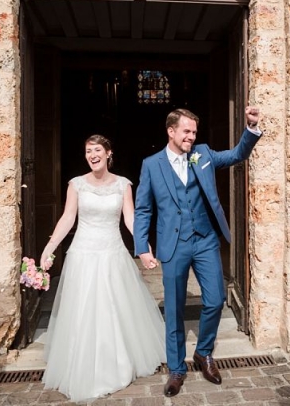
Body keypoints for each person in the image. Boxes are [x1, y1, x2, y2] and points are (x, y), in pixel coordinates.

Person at [134, 107, 261, 397]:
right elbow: (143, 209)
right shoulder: (151, 165)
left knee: (215, 300)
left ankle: (204, 353)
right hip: (173, 245)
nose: (192, 136)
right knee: (175, 309)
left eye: (194, 132)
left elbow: (237, 155)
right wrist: (142, 247)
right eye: (186, 131)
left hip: (205, 240)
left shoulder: (202, 153)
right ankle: (177, 369)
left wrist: (251, 129)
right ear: (171, 131)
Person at [40, 135, 165, 401]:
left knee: (112, 307)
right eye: (88, 151)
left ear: (108, 153)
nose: (92, 155)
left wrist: (143, 247)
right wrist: (49, 246)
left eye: (97, 150)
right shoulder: (76, 185)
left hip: (112, 254)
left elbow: (129, 217)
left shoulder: (123, 185)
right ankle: (82, 364)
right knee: (83, 310)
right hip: (83, 255)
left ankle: (115, 364)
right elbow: (68, 217)